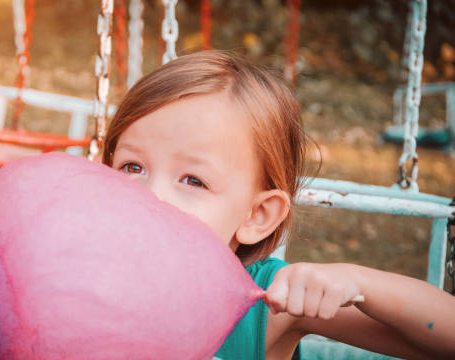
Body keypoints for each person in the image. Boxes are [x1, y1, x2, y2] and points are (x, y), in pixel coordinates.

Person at [101, 50, 455, 359]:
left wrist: (358, 280)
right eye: (133, 167)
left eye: (194, 180)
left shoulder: (267, 303)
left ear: (257, 215)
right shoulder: (83, 272)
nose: (151, 196)